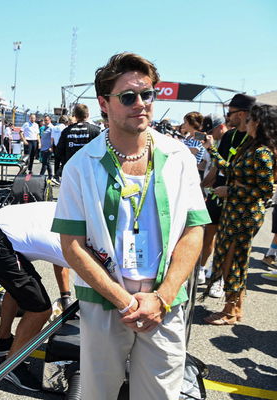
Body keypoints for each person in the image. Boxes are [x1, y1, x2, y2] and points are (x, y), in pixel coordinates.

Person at [52, 52, 210, 400]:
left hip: (164, 303)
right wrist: (124, 301)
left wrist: (162, 297)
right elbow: (72, 245)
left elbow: (193, 230)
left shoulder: (179, 156)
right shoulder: (80, 166)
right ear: (104, 104)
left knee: (160, 395)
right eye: (128, 96)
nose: (141, 104)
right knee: (98, 392)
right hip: (105, 301)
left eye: (147, 94)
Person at [0, 202, 72, 392]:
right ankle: (12, 367)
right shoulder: (69, 245)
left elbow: (60, 264)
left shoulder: (70, 212)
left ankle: (2, 343)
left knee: (16, 289)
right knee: (40, 309)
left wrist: (65, 296)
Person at [201, 104, 276, 325]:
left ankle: (230, 311)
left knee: (233, 262)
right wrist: (212, 149)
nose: (246, 123)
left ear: (259, 123)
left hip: (245, 216)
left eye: (251, 120)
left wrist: (230, 190)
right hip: (235, 213)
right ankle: (234, 307)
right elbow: (231, 170)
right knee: (231, 261)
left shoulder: (262, 152)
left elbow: (265, 190)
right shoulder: (252, 147)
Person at [199, 94, 255, 297]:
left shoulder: (256, 139)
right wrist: (206, 185)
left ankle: (222, 282)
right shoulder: (229, 136)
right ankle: (205, 273)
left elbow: (265, 185)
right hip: (219, 193)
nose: (227, 117)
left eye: (229, 113)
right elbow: (220, 164)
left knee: (232, 246)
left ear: (241, 114)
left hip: (241, 201)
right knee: (211, 235)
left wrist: (232, 191)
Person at [197, 113, 228, 285]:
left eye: (210, 131)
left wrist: (200, 186)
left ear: (220, 126)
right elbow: (212, 169)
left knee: (223, 238)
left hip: (229, 195)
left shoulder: (228, 141)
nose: (208, 135)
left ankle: (218, 277)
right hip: (215, 193)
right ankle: (202, 269)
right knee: (209, 232)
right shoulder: (216, 142)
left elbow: (218, 170)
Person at [56, 103, 100, 167]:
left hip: (71, 169)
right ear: (87, 115)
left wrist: (58, 169)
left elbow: (58, 152)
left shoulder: (66, 131)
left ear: (75, 116)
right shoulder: (96, 131)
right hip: (90, 169)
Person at [51, 115, 68, 183]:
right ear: (66, 121)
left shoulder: (54, 127)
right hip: (63, 147)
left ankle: (56, 176)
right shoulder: (65, 128)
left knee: (56, 162)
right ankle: (60, 175)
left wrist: (51, 147)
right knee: (64, 162)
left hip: (55, 146)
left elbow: (52, 138)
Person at [39, 115, 54, 181]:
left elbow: (53, 138)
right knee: (47, 163)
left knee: (44, 163)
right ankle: (50, 176)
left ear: (50, 120)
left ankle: (40, 176)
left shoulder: (52, 128)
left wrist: (51, 147)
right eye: (45, 120)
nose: (45, 121)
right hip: (43, 148)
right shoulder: (44, 128)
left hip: (48, 148)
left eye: (47, 120)